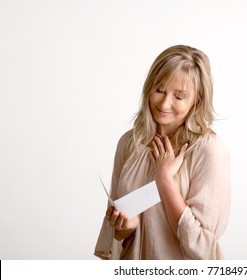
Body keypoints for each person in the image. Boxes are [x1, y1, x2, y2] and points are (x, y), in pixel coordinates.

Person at [94, 45, 230, 260]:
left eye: (179, 96)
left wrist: (164, 179)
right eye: (159, 90)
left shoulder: (208, 151)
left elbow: (204, 250)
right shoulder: (130, 143)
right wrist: (126, 226)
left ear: (197, 99)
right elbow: (118, 236)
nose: (165, 103)